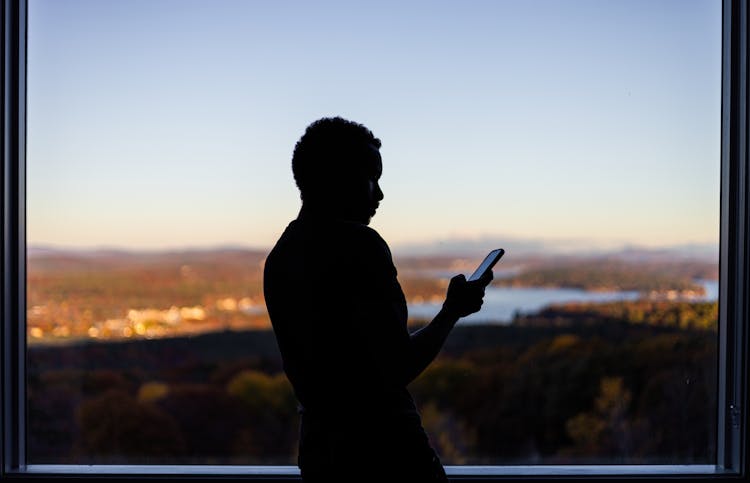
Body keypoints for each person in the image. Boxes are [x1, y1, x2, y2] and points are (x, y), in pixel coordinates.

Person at [263, 117, 493, 482]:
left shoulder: (281, 257)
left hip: (322, 454)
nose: (380, 195)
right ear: (336, 177)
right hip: (388, 452)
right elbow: (395, 367)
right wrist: (451, 312)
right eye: (372, 178)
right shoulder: (360, 247)